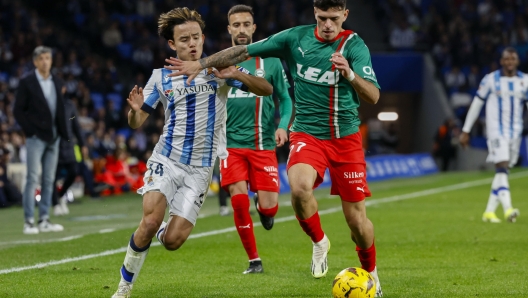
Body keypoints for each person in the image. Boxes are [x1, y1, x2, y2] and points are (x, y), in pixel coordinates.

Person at [165, 0, 383, 296]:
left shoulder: (355, 47)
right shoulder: (294, 38)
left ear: (345, 15)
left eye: (334, 18)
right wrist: (201, 63)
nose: (328, 25)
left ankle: (371, 272)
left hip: (346, 138)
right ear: (314, 14)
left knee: (356, 220)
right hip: (308, 133)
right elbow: (241, 52)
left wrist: (350, 76)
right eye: (322, 18)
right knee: (299, 189)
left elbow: (373, 96)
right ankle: (319, 241)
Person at [111, 7, 272, 298]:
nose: (192, 44)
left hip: (200, 169)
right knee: (148, 222)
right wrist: (134, 113)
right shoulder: (160, 77)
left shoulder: (218, 69)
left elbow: (266, 88)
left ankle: (159, 230)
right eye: (184, 39)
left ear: (203, 38)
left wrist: (237, 73)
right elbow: (137, 122)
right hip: (167, 159)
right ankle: (124, 287)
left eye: (196, 37)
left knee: (172, 241)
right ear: (172, 44)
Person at [220, 4, 293, 274]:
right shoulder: (220, 62)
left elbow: (284, 99)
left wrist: (283, 126)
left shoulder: (271, 62)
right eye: (235, 25)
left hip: (263, 145)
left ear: (253, 28)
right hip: (231, 146)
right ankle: (254, 260)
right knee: (238, 199)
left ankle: (264, 210)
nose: (241, 30)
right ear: (229, 29)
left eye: (245, 24)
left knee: (270, 209)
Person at [460, 47, 525, 224]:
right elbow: (476, 104)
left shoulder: (524, 81)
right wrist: (466, 130)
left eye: (513, 59)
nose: (510, 62)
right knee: (502, 167)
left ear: (517, 61)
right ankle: (508, 209)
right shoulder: (490, 80)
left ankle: (489, 212)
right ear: (502, 61)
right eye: (507, 59)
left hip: (515, 133)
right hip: (496, 131)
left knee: (503, 171)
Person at [14, 46, 68, 234]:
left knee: (48, 179)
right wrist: (30, 131)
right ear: (35, 62)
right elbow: (18, 110)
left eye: (48, 58)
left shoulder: (56, 80)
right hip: (36, 137)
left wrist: (64, 133)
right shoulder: (27, 82)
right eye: (42, 58)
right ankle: (29, 221)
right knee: (32, 178)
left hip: (53, 136)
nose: (45, 61)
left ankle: (44, 219)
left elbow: (60, 110)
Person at [52, 98, 86, 216]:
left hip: (68, 145)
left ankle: (61, 195)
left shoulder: (70, 104)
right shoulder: (51, 102)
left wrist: (83, 144)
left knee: (73, 172)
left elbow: (76, 126)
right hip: (54, 145)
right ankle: (55, 203)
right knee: (53, 177)